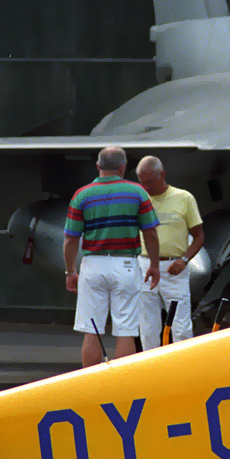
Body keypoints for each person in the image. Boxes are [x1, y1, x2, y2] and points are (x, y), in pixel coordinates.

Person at [63, 146, 161, 368]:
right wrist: (154, 265)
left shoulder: (82, 194)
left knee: (92, 331)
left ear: (98, 167)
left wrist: (70, 271)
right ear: (123, 167)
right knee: (126, 331)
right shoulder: (137, 192)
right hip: (125, 264)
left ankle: (90, 385)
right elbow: (151, 234)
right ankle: (122, 388)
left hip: (93, 264)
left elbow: (70, 240)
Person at [134, 155, 205, 349]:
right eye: (142, 182)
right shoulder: (139, 199)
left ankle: (184, 368)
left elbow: (198, 236)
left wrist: (184, 260)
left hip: (175, 267)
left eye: (149, 181)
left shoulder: (184, 198)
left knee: (181, 327)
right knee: (148, 327)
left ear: (162, 175)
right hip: (144, 265)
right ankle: (151, 370)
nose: (146, 187)